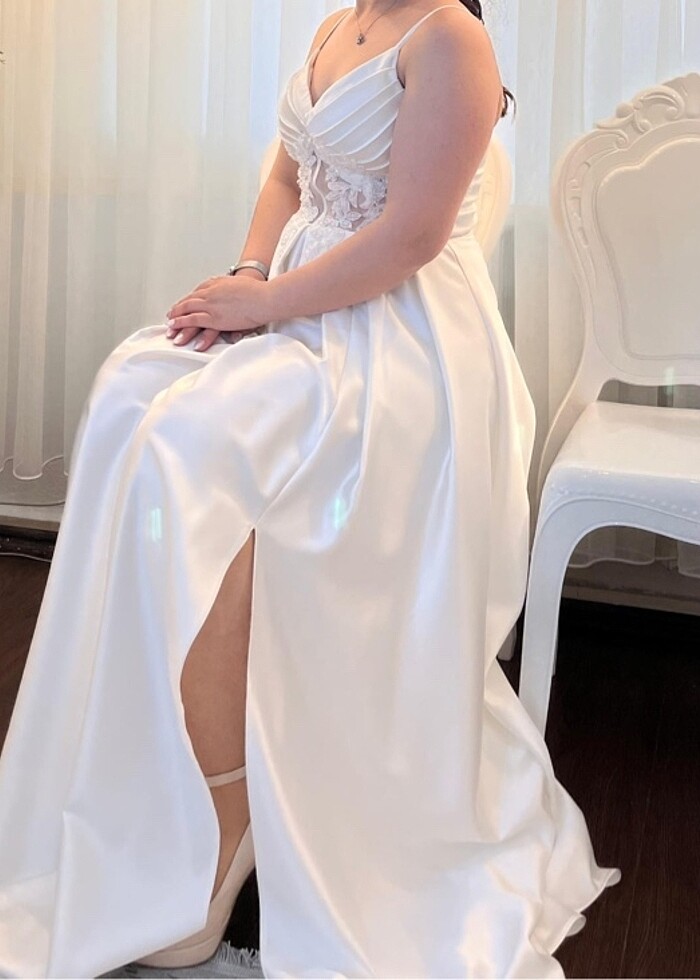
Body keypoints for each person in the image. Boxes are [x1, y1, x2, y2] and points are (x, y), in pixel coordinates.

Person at [0, 1, 621, 977]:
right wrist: (249, 274)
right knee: (128, 391)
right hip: (299, 307)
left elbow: (411, 238)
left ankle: (227, 805)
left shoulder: (450, 38)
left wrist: (264, 304)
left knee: (187, 449)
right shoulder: (338, 24)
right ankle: (138, 755)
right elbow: (288, 175)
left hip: (398, 341)